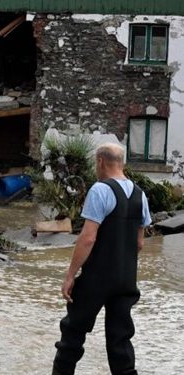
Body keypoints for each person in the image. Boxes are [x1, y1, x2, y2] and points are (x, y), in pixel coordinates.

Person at [52, 143, 151, 375]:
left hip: (96, 279)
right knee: (120, 341)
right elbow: (139, 243)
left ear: (100, 161)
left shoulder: (100, 190)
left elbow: (88, 239)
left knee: (72, 334)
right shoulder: (140, 195)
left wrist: (70, 276)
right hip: (126, 281)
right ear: (121, 162)